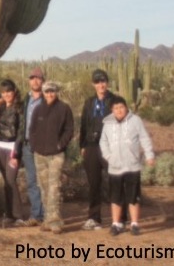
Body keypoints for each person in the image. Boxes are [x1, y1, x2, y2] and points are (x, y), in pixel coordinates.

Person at [100, 96, 155, 237]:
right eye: (116, 108)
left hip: (132, 165)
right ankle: (116, 224)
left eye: (121, 107)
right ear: (112, 110)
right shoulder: (107, 123)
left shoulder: (135, 120)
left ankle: (135, 224)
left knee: (133, 196)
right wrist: (108, 157)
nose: (119, 110)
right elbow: (103, 142)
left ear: (126, 108)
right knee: (115, 197)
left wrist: (149, 155)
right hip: (115, 167)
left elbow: (144, 137)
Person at [29, 80, 74, 234]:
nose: (50, 94)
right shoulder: (38, 109)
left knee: (54, 187)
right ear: (43, 92)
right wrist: (34, 146)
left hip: (56, 155)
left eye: (52, 91)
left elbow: (69, 129)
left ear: (57, 92)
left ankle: (55, 221)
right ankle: (48, 219)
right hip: (39, 154)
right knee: (44, 187)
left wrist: (60, 145)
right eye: (47, 91)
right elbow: (32, 129)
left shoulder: (64, 108)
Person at [79, 68, 115, 230]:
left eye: (103, 81)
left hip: (110, 146)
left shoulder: (116, 100)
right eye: (97, 81)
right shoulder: (89, 102)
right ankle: (94, 218)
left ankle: (120, 217)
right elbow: (83, 125)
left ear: (107, 83)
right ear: (93, 84)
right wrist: (82, 145)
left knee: (115, 181)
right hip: (92, 146)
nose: (101, 84)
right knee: (94, 183)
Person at [0, 79, 26, 225]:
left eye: (9, 91)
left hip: (12, 147)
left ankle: (18, 215)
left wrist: (16, 153)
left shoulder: (19, 108)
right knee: (6, 181)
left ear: (14, 91)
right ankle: (9, 214)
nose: (7, 94)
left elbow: (21, 131)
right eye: (4, 92)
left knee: (11, 180)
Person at [21, 66, 45, 226]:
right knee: (31, 180)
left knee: (44, 180)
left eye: (38, 77)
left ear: (43, 81)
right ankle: (36, 214)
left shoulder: (48, 98)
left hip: (43, 146)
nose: (35, 80)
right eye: (32, 77)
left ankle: (47, 214)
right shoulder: (25, 99)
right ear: (29, 81)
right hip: (27, 144)